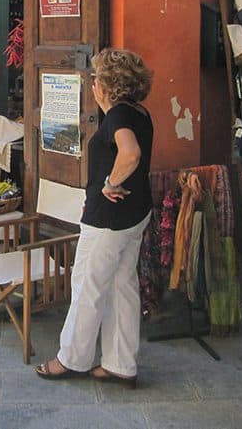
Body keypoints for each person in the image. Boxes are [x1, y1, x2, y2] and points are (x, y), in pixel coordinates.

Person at [35, 48, 154, 387]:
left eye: (98, 76)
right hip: (135, 214)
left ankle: (70, 359)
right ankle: (121, 364)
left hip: (109, 218)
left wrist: (110, 183)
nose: (92, 81)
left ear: (110, 85)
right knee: (122, 286)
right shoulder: (138, 112)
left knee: (88, 284)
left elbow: (131, 154)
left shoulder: (117, 115)